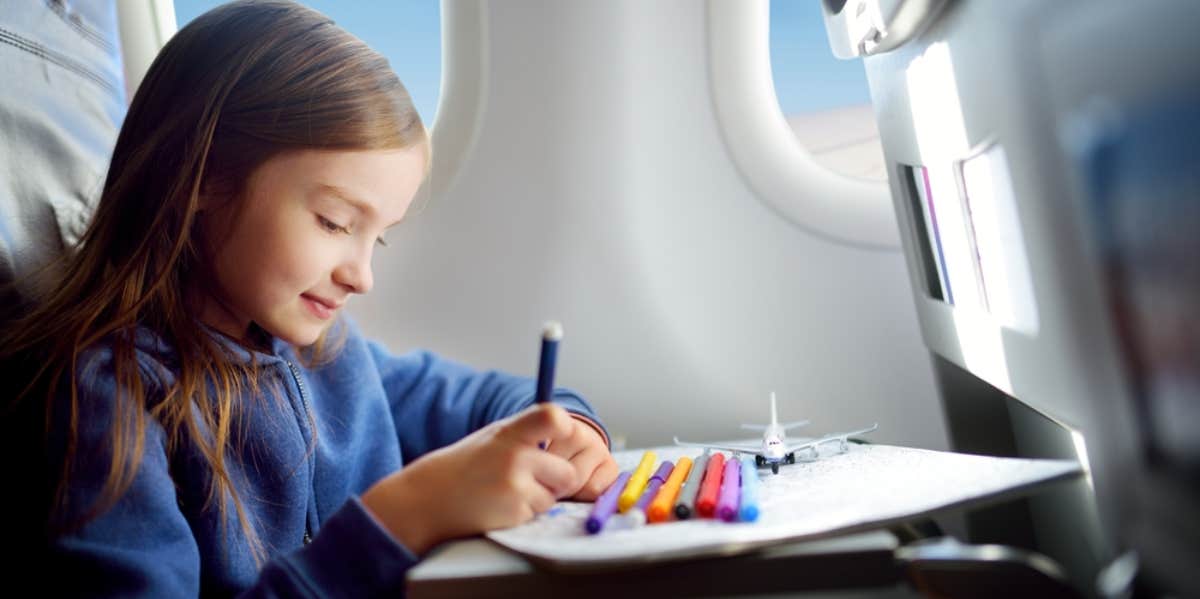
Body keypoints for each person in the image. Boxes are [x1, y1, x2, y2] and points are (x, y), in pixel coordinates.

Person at [0, 1, 619, 596]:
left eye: (381, 239)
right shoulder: (112, 401)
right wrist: (399, 520)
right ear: (206, 179)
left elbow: (487, 400)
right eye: (333, 221)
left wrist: (568, 426)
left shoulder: (330, 356)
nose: (361, 276)